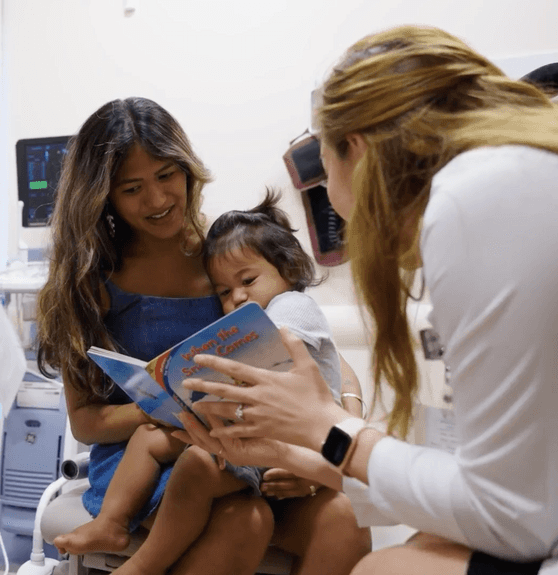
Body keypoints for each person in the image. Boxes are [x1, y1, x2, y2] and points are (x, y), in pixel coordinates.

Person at [177, 25, 558, 575]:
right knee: (411, 551)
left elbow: (511, 513)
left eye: (324, 167)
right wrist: (288, 449)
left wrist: (328, 427)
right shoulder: (508, 177)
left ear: (353, 147)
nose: (333, 201)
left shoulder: (472, 200)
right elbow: (492, 487)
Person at [36, 96, 369, 575]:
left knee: (346, 518)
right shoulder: (91, 284)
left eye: (166, 175)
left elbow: (315, 356)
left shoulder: (225, 257)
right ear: (104, 195)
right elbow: (86, 423)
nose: (157, 199)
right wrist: (172, 406)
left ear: (187, 170)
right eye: (132, 188)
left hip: (245, 441)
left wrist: (332, 446)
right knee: (244, 520)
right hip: (147, 460)